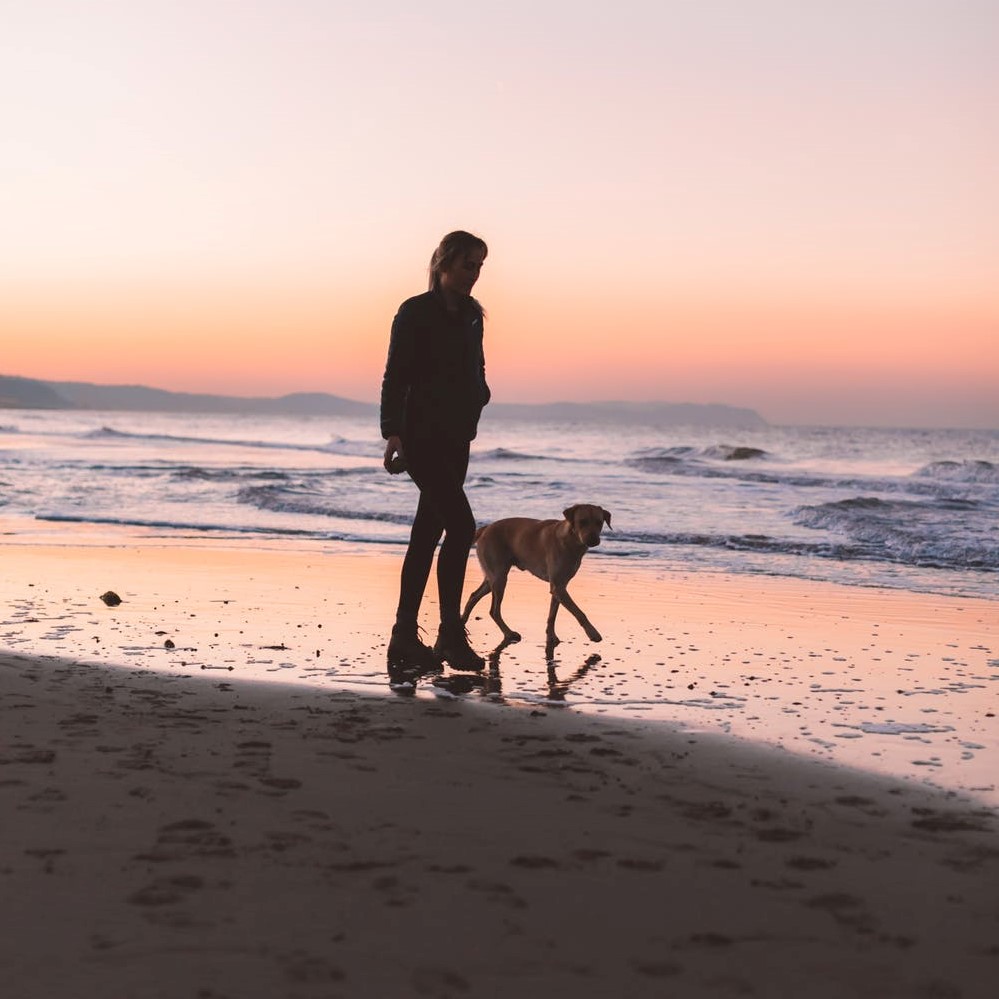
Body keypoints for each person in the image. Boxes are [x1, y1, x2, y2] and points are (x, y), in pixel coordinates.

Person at [380, 230, 491, 674]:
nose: (475, 274)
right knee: (462, 527)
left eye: (481, 266)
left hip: (457, 438)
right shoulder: (415, 312)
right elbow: (395, 376)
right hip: (420, 437)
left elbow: (476, 367)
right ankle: (448, 634)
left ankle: (404, 638)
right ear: (444, 263)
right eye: (469, 265)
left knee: (427, 534)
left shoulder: (472, 316)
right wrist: (392, 432)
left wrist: (480, 394)